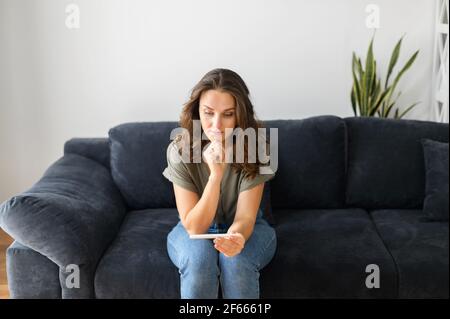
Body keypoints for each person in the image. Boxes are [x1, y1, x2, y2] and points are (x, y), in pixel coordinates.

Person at [162, 68, 276, 299]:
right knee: (198, 260)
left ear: (240, 115)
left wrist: (237, 238)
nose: (216, 125)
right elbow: (194, 226)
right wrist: (215, 175)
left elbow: (245, 217)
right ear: (197, 111)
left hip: (248, 228)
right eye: (208, 113)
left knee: (235, 261)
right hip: (192, 229)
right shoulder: (179, 149)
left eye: (227, 114)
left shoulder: (257, 146)